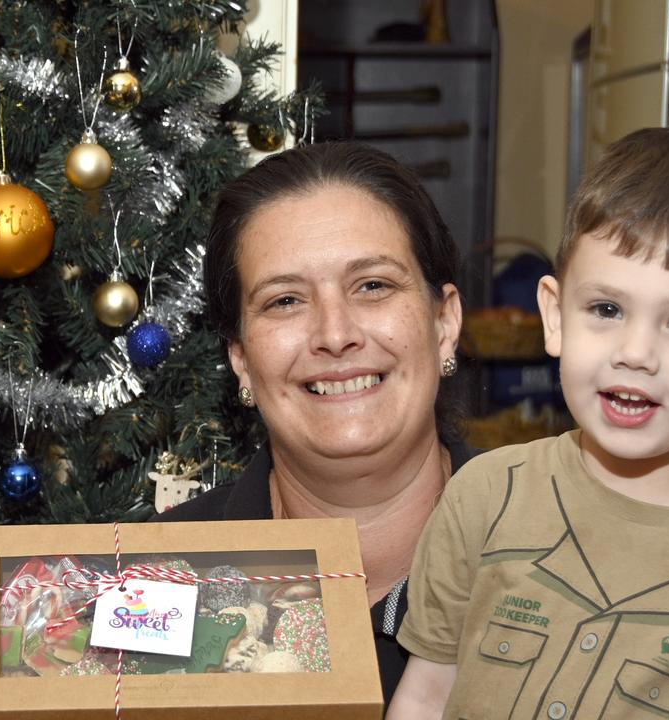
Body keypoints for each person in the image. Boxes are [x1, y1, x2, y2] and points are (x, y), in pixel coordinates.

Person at [390, 127, 669, 719]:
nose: (636, 352)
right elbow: (426, 695)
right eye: (607, 309)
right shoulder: (487, 495)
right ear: (555, 315)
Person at [155, 142, 470, 707]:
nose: (335, 332)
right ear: (243, 360)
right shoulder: (152, 579)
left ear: (443, 322)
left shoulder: (556, 561)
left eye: (372, 285)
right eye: (285, 301)